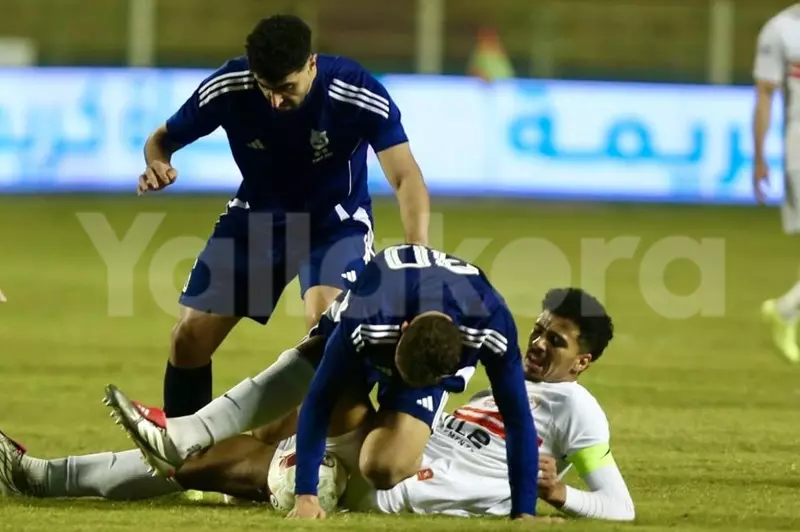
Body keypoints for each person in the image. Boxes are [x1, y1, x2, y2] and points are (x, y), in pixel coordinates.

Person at [0, 288, 634, 521]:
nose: (538, 344)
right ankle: (48, 472)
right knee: (203, 460)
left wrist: (560, 497)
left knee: (195, 467)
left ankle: (42, 475)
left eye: (557, 341)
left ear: (582, 362)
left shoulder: (578, 412)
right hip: (370, 451)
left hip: (382, 487)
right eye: (539, 330)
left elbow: (620, 507)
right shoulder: (502, 386)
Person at [104, 244, 540, 519]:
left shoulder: (493, 326)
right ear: (403, 330)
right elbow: (319, 397)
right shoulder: (369, 313)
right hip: (368, 325)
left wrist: (523, 513)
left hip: (424, 351)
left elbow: (519, 420)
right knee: (271, 428)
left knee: (384, 467)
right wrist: (306, 495)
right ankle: (170, 451)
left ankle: (228, 453)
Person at [144, 14, 430, 417]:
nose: (276, 101)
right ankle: (185, 451)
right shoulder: (230, 86)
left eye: (286, 88)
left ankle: (330, 443)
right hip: (258, 219)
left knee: (325, 330)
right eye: (266, 88)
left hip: (336, 224)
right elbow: (161, 139)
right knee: (188, 339)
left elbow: (405, 176)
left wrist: (418, 256)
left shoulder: (355, 90)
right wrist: (158, 163)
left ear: (311, 63)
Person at [754, 4, 800, 362]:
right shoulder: (781, 30)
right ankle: (785, 310)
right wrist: (759, 156)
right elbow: (765, 95)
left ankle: (785, 309)